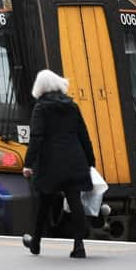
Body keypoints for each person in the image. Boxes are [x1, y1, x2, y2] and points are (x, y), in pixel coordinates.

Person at [22, 69, 96, 258]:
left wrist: (28, 163)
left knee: (44, 203)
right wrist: (90, 161)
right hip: (74, 159)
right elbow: (83, 134)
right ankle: (79, 246)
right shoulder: (72, 106)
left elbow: (36, 137)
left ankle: (36, 243)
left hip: (50, 163)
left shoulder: (41, 108)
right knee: (75, 200)